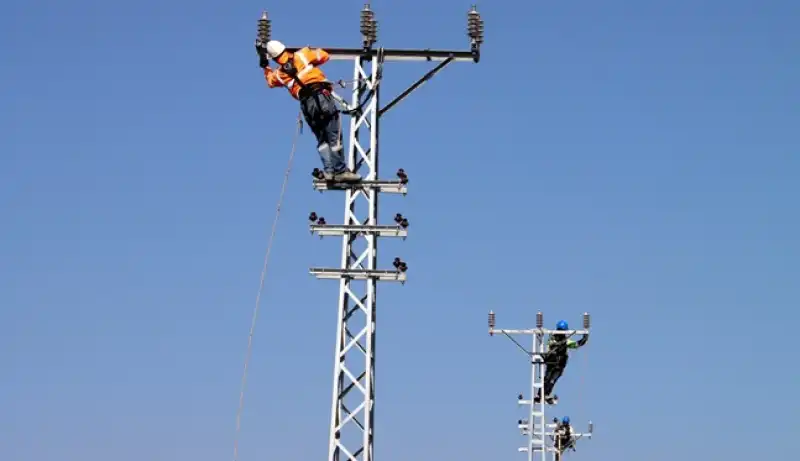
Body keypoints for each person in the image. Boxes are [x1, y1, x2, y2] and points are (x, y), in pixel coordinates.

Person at [255, 39, 361, 183]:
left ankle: (329, 171)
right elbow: (324, 55)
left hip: (307, 105)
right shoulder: (302, 55)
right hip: (321, 97)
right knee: (333, 134)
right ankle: (340, 171)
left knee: (321, 137)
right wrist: (311, 53)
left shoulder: (279, 74)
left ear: (274, 58)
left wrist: (265, 65)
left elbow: (270, 81)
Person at [535, 320, 588, 404]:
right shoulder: (552, 338)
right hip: (551, 362)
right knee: (547, 379)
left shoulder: (566, 341)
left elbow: (576, 344)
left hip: (560, 364)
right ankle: (540, 394)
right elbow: (549, 346)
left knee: (552, 380)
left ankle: (546, 394)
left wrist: (584, 339)